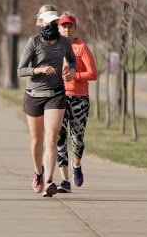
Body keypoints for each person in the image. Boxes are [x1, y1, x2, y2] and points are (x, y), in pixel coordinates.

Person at [17, 9, 77, 197]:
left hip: (56, 94)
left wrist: (71, 72)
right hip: (34, 94)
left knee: (51, 138)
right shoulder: (33, 42)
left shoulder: (64, 42)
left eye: (55, 23)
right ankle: (38, 173)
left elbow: (73, 62)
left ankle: (49, 182)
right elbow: (21, 70)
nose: (53, 26)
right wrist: (39, 70)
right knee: (36, 140)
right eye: (50, 23)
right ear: (43, 24)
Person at [55, 12, 97, 193]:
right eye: (63, 26)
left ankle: (76, 164)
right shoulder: (54, 47)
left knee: (77, 139)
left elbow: (93, 74)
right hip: (59, 97)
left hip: (79, 99)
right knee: (60, 138)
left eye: (70, 26)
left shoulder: (81, 48)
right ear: (58, 28)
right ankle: (65, 181)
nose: (66, 29)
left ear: (74, 29)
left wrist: (75, 75)